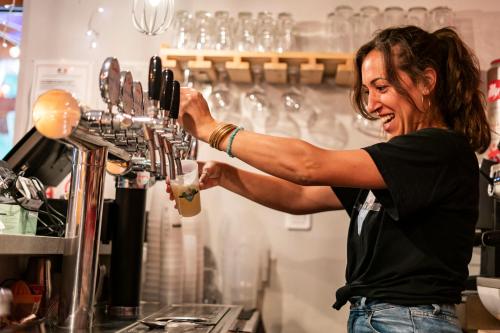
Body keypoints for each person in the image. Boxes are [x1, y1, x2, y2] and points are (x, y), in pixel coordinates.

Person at [168, 25, 491, 333]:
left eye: (381, 88)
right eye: (367, 91)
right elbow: (299, 196)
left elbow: (308, 166)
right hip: (384, 316)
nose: (372, 104)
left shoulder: (437, 149)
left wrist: (212, 129)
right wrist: (225, 175)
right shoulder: (403, 162)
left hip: (409, 320)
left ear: (426, 82)